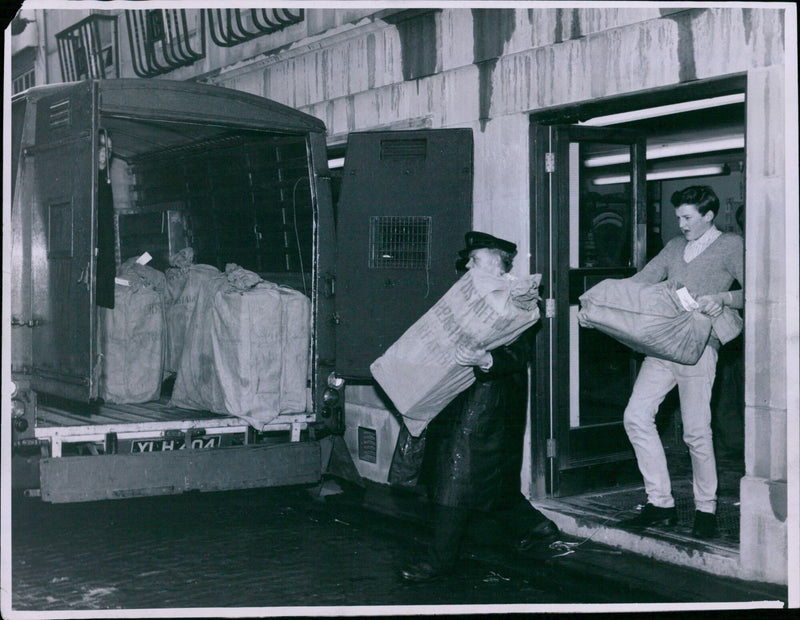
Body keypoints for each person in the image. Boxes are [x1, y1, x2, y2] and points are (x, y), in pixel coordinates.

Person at [398, 231, 558, 583]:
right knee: (491, 482)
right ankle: (539, 526)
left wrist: (487, 358)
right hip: (463, 399)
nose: (468, 265)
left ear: (498, 259)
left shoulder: (520, 298)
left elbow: (519, 354)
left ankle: (438, 561)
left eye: (475, 258)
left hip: (490, 404)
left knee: (454, 479)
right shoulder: (470, 293)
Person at [620, 186, 743, 539]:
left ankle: (706, 508)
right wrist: (601, 304)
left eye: (688, 217)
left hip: (700, 347)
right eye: (679, 217)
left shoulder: (730, 245)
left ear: (708, 216)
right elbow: (640, 282)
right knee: (636, 416)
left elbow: (759, 291)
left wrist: (724, 297)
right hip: (663, 346)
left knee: (695, 431)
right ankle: (660, 503)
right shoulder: (675, 247)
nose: (681, 223)